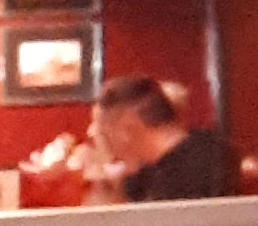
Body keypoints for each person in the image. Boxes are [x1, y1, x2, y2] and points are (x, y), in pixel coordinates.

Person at [89, 77, 236, 200]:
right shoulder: (145, 172)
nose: (97, 137)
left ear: (128, 127)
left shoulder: (201, 165)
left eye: (104, 132)